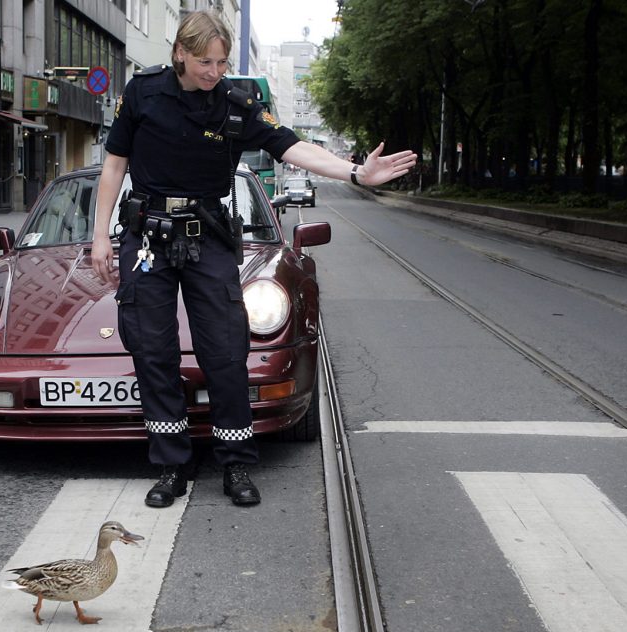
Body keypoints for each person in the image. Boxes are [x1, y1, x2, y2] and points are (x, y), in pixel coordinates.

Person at [91, 11, 416, 508]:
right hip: (148, 238)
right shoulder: (143, 93)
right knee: (152, 352)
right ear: (179, 52)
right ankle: (171, 465)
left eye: (221, 62)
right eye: (205, 61)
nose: (214, 71)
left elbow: (292, 147)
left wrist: (355, 174)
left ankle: (236, 461)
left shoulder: (237, 105)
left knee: (224, 352)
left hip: (210, 238)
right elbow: (114, 165)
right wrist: (99, 237)